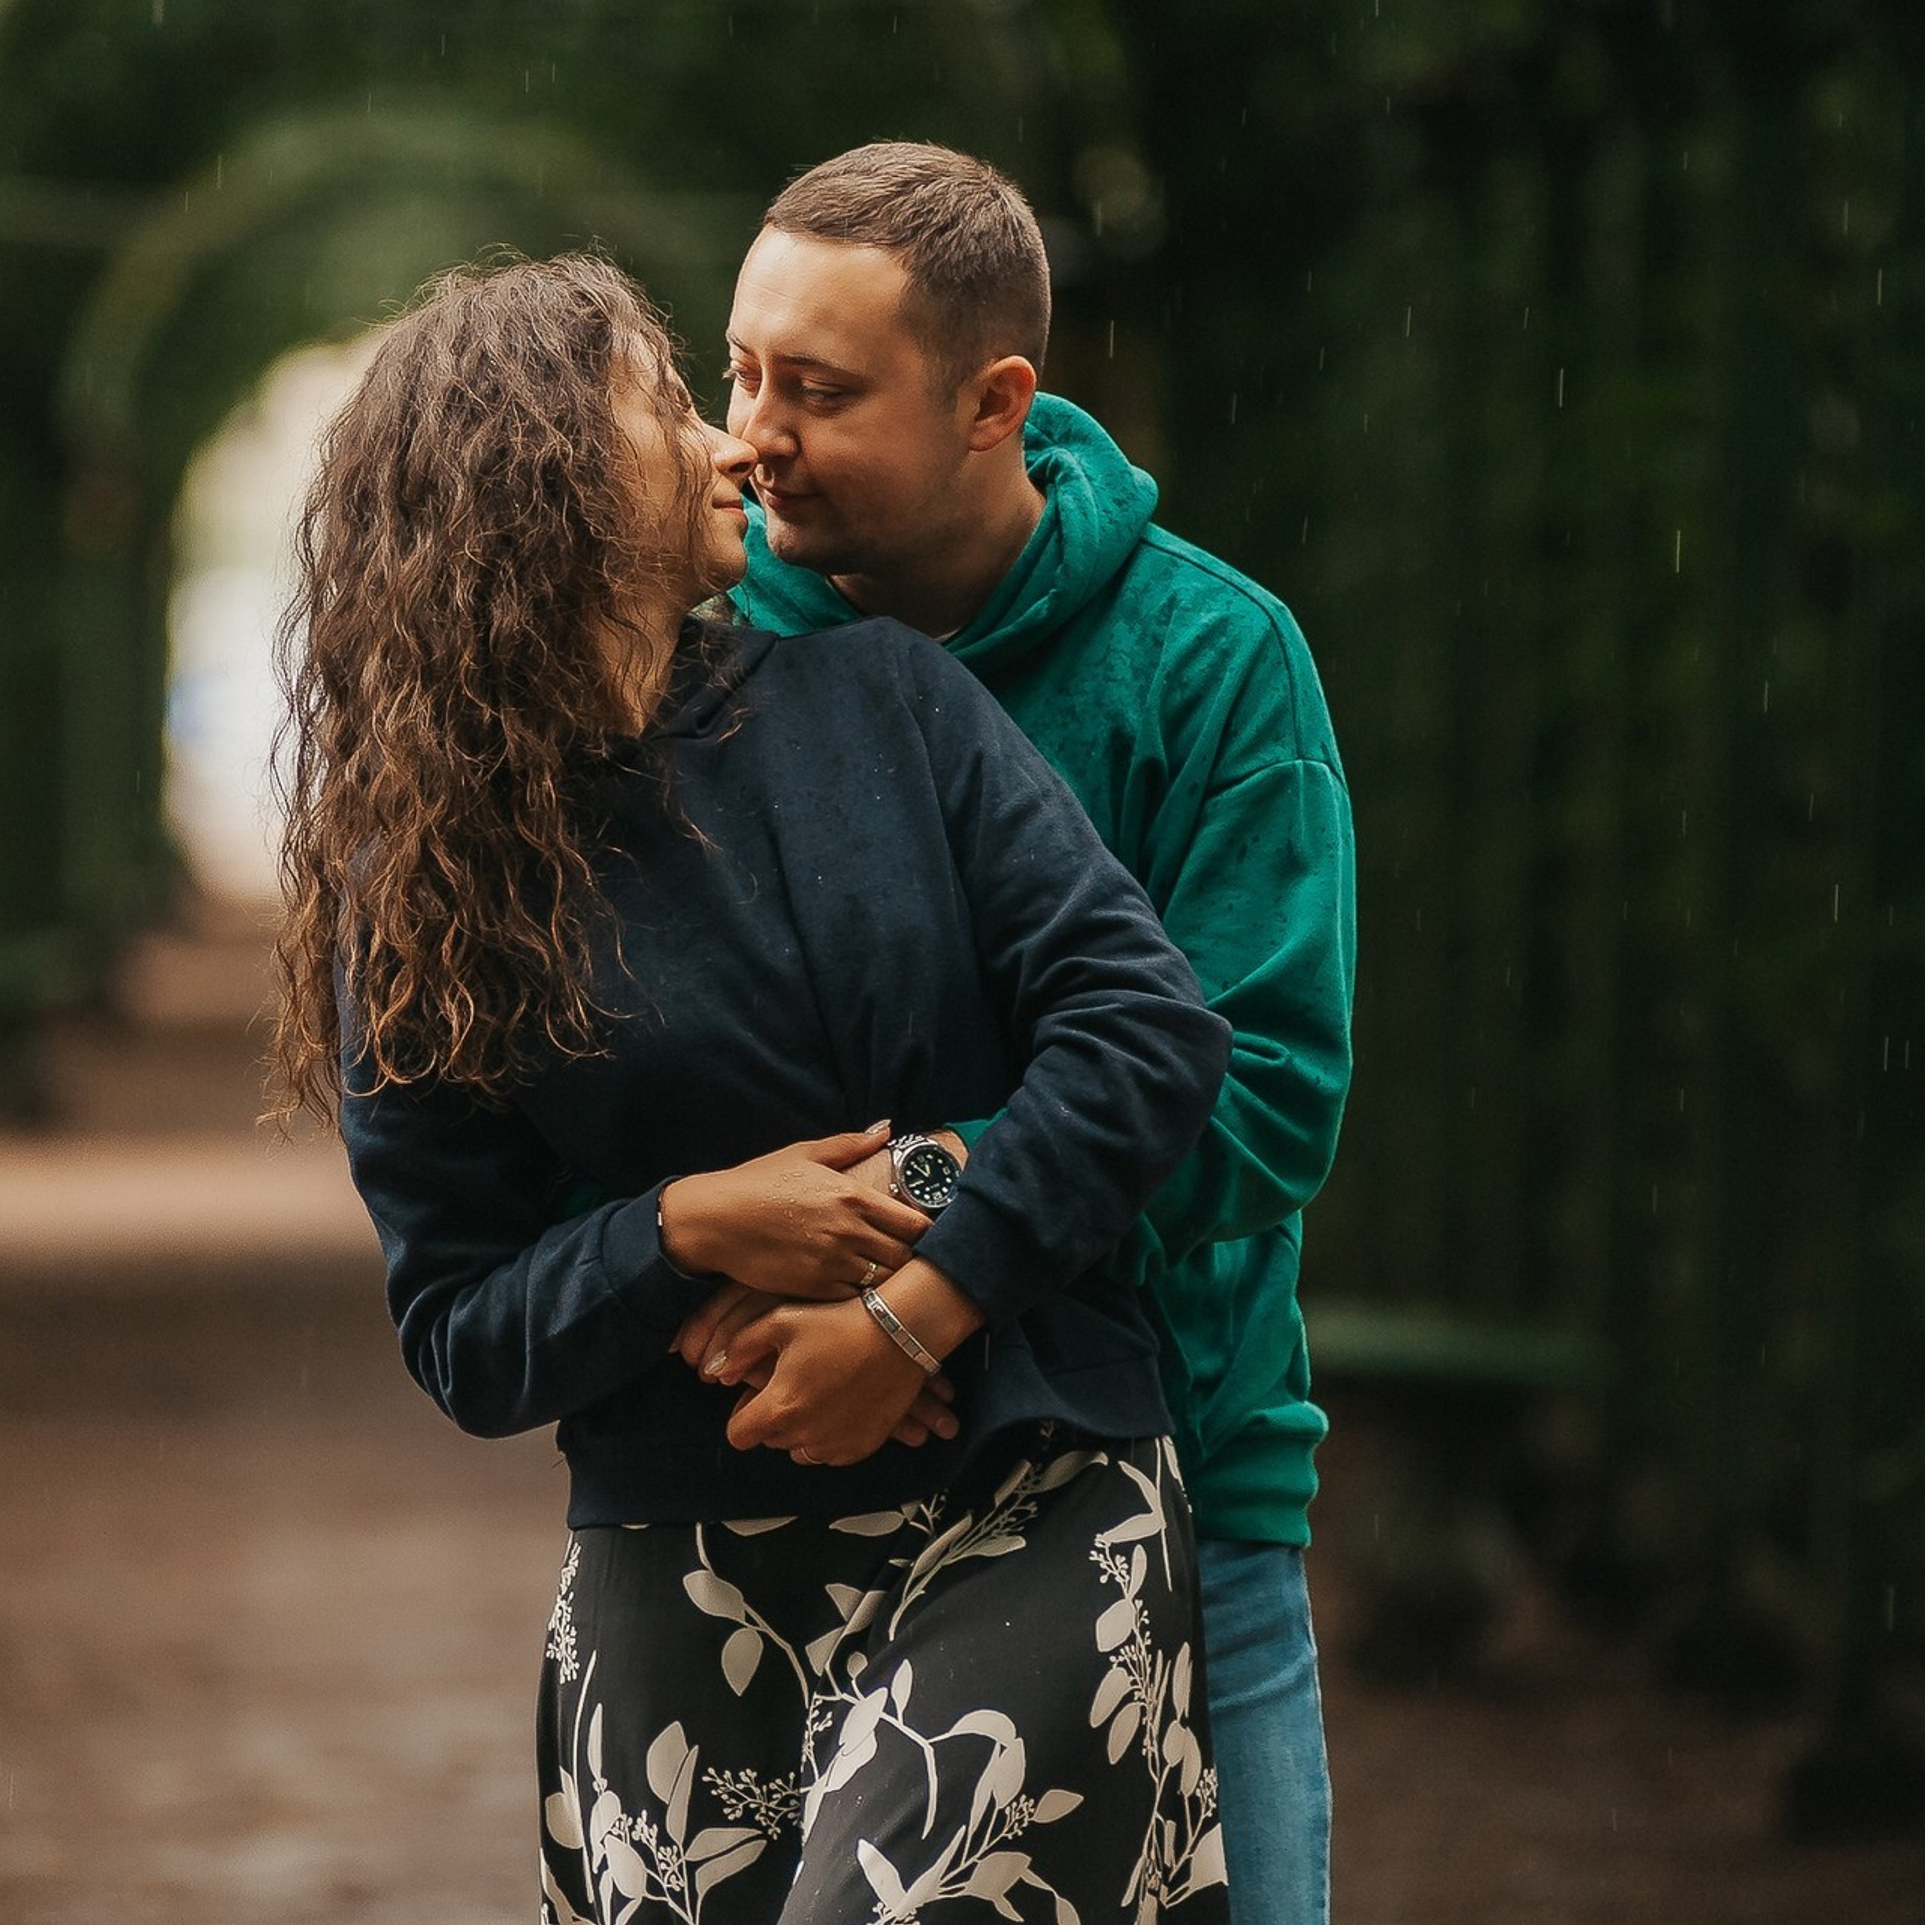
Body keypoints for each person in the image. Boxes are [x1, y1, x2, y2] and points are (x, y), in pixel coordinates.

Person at [271, 255, 1237, 1925]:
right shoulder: (419, 883)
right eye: (673, 408)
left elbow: (1147, 1030)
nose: (732, 449)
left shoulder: (889, 701)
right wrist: (693, 1230)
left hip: (1026, 1478)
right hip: (678, 1542)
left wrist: (915, 1282)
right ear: (555, 487)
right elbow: (464, 1333)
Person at [690, 143, 1356, 1925]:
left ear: (996, 404)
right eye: (739, 368)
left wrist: (905, 1269)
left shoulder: (1208, 662)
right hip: (767, 1516)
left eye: (817, 392)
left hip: (1178, 1489)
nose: (750, 433)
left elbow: (1259, 1101)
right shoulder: (684, 656)